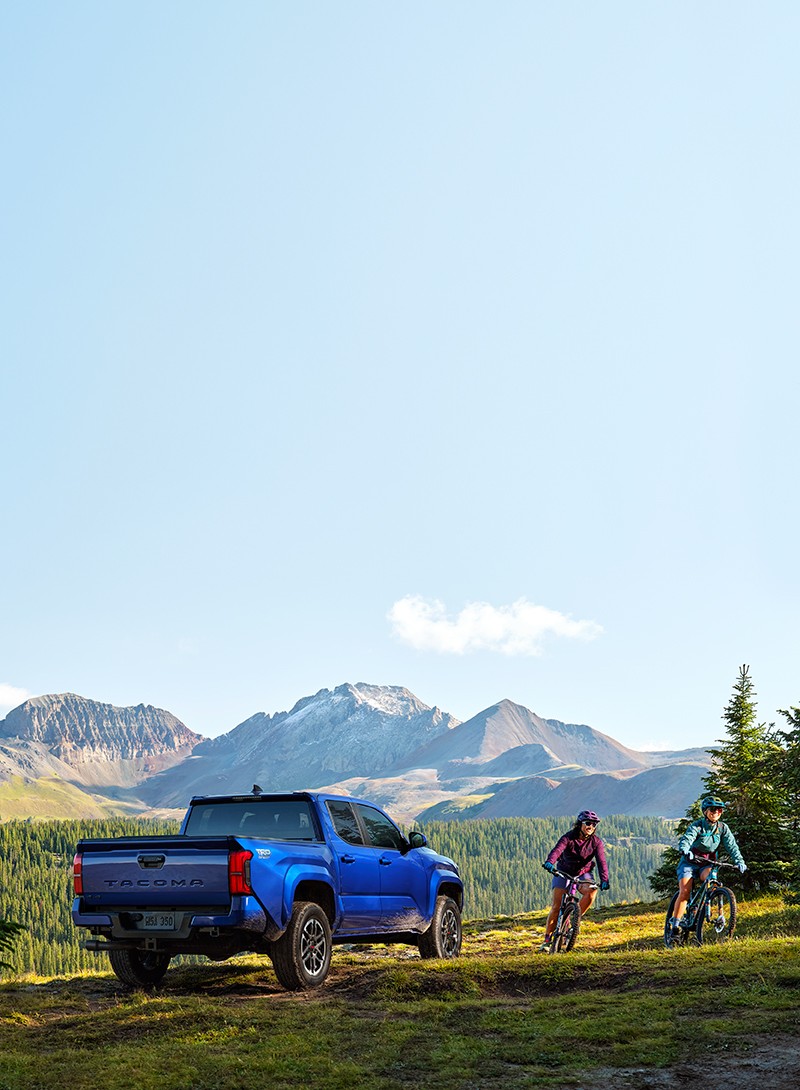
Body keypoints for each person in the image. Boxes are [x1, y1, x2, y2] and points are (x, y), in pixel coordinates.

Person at [668, 795, 746, 939]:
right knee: (685, 891)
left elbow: (732, 846)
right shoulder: (697, 826)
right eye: (712, 809)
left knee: (712, 884)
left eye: (719, 810)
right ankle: (676, 926)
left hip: (707, 863)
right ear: (705, 811)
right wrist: (685, 849)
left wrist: (739, 861)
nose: (715, 812)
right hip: (689, 862)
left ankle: (707, 913)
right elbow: (688, 838)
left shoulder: (722, 828)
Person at [539, 810, 610, 951]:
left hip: (584, 873)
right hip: (564, 872)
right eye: (588, 823)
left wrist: (604, 879)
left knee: (591, 892)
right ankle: (547, 940)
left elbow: (601, 861)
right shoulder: (568, 838)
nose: (591, 826)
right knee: (556, 906)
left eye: (594, 824)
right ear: (580, 824)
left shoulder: (596, 842)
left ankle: (574, 919)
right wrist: (549, 862)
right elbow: (557, 851)